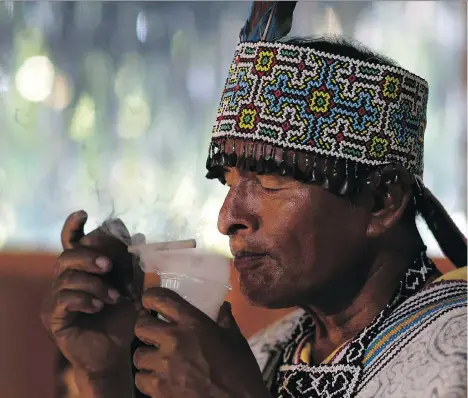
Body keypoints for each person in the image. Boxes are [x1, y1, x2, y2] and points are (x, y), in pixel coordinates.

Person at [41, 2, 467, 397]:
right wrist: (108, 374)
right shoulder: (270, 353)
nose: (227, 218)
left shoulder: (456, 358)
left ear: (381, 201)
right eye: (228, 182)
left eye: (270, 180)